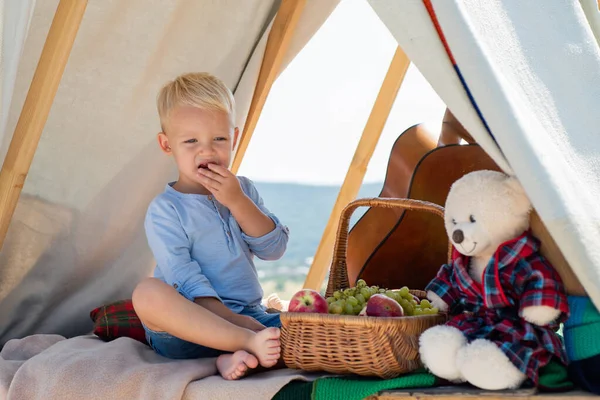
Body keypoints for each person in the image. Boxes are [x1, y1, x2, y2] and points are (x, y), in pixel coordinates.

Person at [132, 72, 290, 380]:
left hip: (251, 315)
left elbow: (274, 249)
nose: (207, 151)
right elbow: (184, 278)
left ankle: (230, 357)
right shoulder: (165, 210)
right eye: (191, 141)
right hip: (189, 329)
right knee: (147, 292)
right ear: (167, 145)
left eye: (219, 139)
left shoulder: (243, 190)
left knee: (316, 325)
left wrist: (238, 201)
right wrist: (242, 329)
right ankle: (242, 346)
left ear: (235, 137)